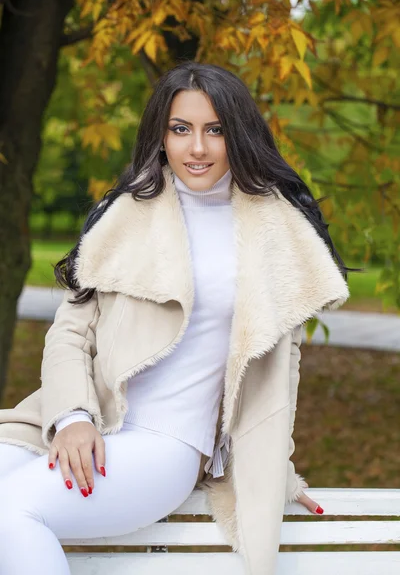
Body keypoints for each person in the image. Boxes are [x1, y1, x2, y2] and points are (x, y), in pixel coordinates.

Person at [0, 61, 355, 575]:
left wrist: (276, 472)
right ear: (160, 135)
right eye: (180, 129)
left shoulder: (276, 230)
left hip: (164, 444)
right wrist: (74, 418)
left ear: (238, 134)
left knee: (12, 511)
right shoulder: (126, 212)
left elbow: (279, 377)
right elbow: (69, 335)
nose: (198, 149)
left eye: (215, 130)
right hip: (67, 422)